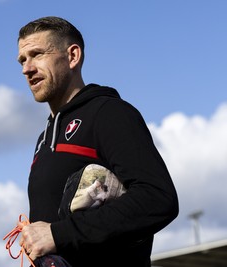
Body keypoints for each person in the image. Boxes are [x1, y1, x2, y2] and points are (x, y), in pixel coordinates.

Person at [16, 16, 179, 266]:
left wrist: (58, 234)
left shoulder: (109, 113)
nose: (27, 68)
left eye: (37, 54)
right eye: (22, 60)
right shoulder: (43, 139)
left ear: (72, 56)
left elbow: (158, 198)